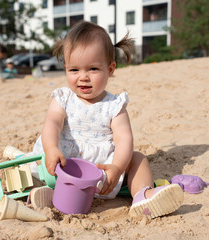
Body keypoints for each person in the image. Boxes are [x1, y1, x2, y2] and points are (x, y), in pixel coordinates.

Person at [29, 21, 184, 218]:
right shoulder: (63, 98)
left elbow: (124, 140)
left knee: (137, 159)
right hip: (65, 162)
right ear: (65, 68)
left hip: (101, 170)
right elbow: (52, 123)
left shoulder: (114, 105)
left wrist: (118, 168)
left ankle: (142, 196)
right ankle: (49, 192)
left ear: (110, 69)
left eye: (93, 69)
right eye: (74, 70)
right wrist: (51, 148)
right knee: (40, 164)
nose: (83, 77)